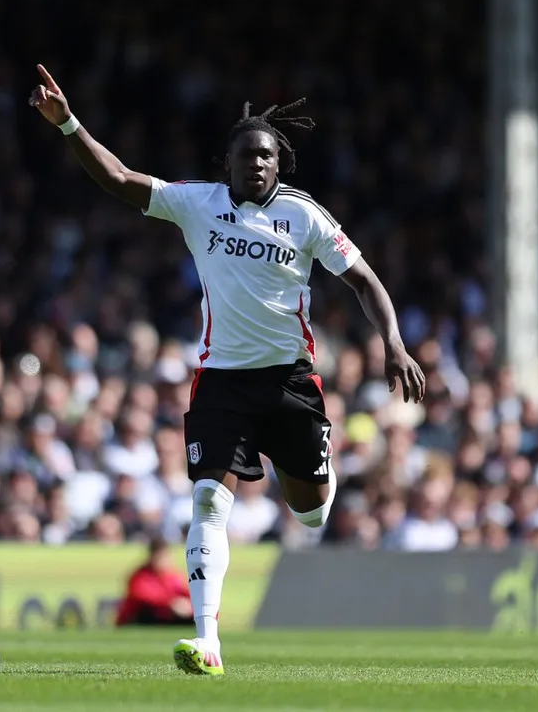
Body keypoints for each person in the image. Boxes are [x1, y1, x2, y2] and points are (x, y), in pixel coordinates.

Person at [29, 64, 425, 676]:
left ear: (278, 163)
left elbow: (365, 280)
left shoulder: (305, 216)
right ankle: (208, 641)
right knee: (209, 505)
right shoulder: (198, 205)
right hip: (222, 382)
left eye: (267, 157)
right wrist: (69, 125)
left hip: (291, 382)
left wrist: (393, 342)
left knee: (313, 512)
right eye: (247, 157)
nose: (258, 165)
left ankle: (314, 474)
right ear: (229, 164)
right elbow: (118, 178)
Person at [115, 537, 194, 627]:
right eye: (160, 557)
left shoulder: (174, 576)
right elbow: (143, 597)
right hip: (141, 618)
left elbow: (186, 593)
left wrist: (188, 606)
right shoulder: (140, 576)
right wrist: (170, 603)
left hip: (169, 616)